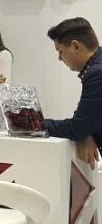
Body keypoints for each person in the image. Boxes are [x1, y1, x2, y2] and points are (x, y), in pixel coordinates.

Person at [43, 18, 102, 167]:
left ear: (76, 46)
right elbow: (88, 118)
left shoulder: (97, 74)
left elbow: (78, 128)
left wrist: (34, 124)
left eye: (60, 51)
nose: (59, 58)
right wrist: (86, 132)